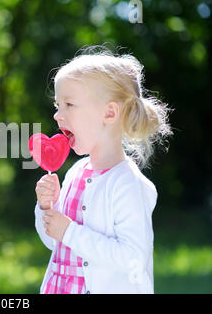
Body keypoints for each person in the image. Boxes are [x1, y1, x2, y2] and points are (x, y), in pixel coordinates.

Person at [34, 48, 172, 294]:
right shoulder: (76, 173)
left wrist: (69, 231)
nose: (57, 115)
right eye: (57, 105)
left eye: (69, 104)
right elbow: (56, 244)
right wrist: (47, 209)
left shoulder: (128, 184)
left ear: (109, 113)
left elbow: (132, 259)